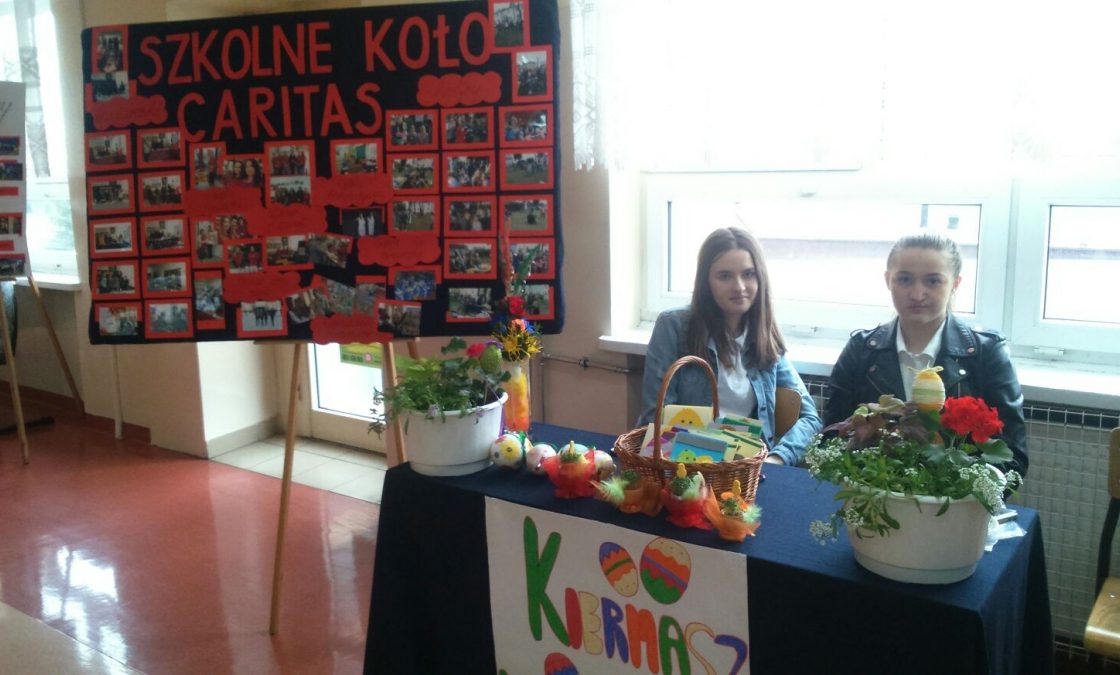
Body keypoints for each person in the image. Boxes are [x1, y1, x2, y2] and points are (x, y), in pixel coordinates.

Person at [826, 232, 1028, 476]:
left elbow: (1012, 458)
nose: (917, 294)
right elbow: (832, 438)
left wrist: (956, 490)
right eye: (905, 280)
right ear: (888, 280)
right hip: (870, 495)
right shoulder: (860, 350)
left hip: (955, 498)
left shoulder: (987, 354)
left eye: (933, 281)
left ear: (955, 284)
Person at [639, 227, 822, 466]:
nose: (739, 286)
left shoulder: (764, 337)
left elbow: (810, 418)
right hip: (682, 466)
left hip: (747, 469)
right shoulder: (673, 327)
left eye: (748, 274)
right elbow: (655, 416)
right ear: (706, 282)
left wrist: (777, 458)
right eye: (725, 276)